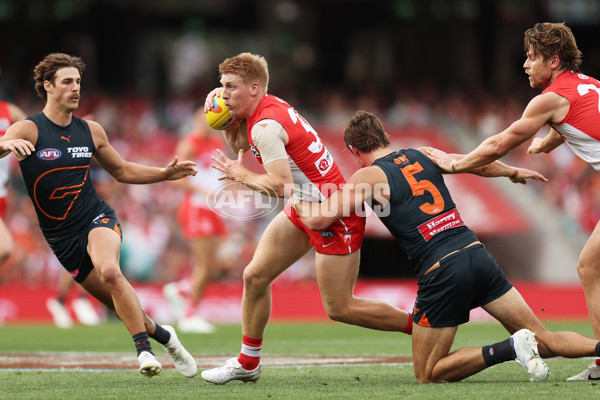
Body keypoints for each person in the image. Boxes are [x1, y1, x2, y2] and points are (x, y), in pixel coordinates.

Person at [293, 110, 600, 382]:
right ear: (385, 136)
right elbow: (470, 163)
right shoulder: (422, 152)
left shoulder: (367, 175)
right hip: (477, 255)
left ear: (353, 150)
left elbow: (321, 220)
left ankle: (509, 348)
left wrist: (296, 200)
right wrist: (510, 171)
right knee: (544, 340)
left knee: (427, 372)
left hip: (442, 270)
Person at [200, 53, 412, 384]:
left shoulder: (266, 127)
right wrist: (224, 121)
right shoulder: (267, 107)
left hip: (333, 213)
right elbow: (242, 142)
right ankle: (248, 362)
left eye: (230, 87)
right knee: (255, 276)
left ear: (254, 88)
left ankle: (423, 326)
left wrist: (240, 175)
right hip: (306, 204)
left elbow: (280, 186)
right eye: (221, 86)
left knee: (340, 308)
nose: (222, 94)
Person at [0, 52, 198, 379]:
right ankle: (165, 337)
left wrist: (164, 174)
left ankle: (144, 353)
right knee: (123, 307)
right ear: (48, 86)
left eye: (78, 81)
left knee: (110, 271)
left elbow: (122, 170)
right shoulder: (29, 128)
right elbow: (3, 142)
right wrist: (7, 145)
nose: (76, 88)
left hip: (96, 218)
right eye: (67, 82)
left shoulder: (91, 131)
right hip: (61, 239)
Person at [427, 22, 600, 381]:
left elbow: (499, 144)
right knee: (590, 267)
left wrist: (456, 165)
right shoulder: (589, 86)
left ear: (553, 61)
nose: (525, 64)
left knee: (590, 268)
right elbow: (578, 121)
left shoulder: (549, 99)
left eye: (532, 57)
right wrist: (546, 144)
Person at [163, 105, 228, 334]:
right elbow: (174, 178)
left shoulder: (217, 143)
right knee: (206, 264)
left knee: (220, 264)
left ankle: (182, 289)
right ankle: (190, 313)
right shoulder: (189, 144)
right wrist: (203, 191)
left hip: (213, 208)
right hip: (196, 207)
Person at [0, 100, 26, 267]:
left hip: (2, 193)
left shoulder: (9, 110)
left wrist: (72, 131)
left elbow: (38, 131)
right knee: (5, 247)